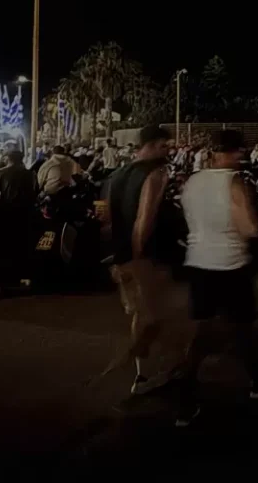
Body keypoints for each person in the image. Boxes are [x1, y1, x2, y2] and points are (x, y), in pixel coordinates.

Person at [178, 129, 258, 425]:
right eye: (238, 151)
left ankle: (185, 397)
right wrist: (256, 226)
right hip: (231, 264)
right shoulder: (235, 182)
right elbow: (249, 227)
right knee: (242, 327)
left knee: (202, 333)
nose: (241, 156)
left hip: (199, 262)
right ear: (231, 152)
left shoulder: (193, 181)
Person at [104, 125, 177, 396]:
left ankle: (143, 371)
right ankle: (145, 372)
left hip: (122, 257)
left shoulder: (116, 175)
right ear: (152, 144)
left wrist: (117, 258)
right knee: (156, 317)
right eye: (164, 146)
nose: (167, 151)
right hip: (146, 257)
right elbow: (144, 221)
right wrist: (137, 258)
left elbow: (105, 219)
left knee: (141, 315)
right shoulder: (156, 174)